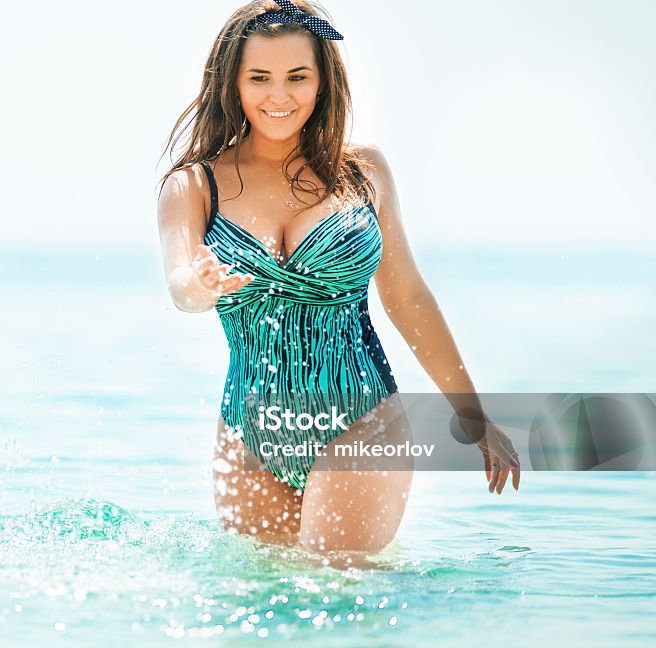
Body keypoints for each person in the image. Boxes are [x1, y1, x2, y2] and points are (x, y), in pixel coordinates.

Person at [156, 0, 521, 557]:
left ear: (324, 80)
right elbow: (181, 281)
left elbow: (407, 298)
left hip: (362, 418)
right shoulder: (193, 186)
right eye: (260, 78)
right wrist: (200, 287)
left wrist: (472, 415)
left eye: (297, 77)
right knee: (263, 606)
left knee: (339, 590)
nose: (280, 96)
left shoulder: (364, 172)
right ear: (232, 83)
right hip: (249, 432)